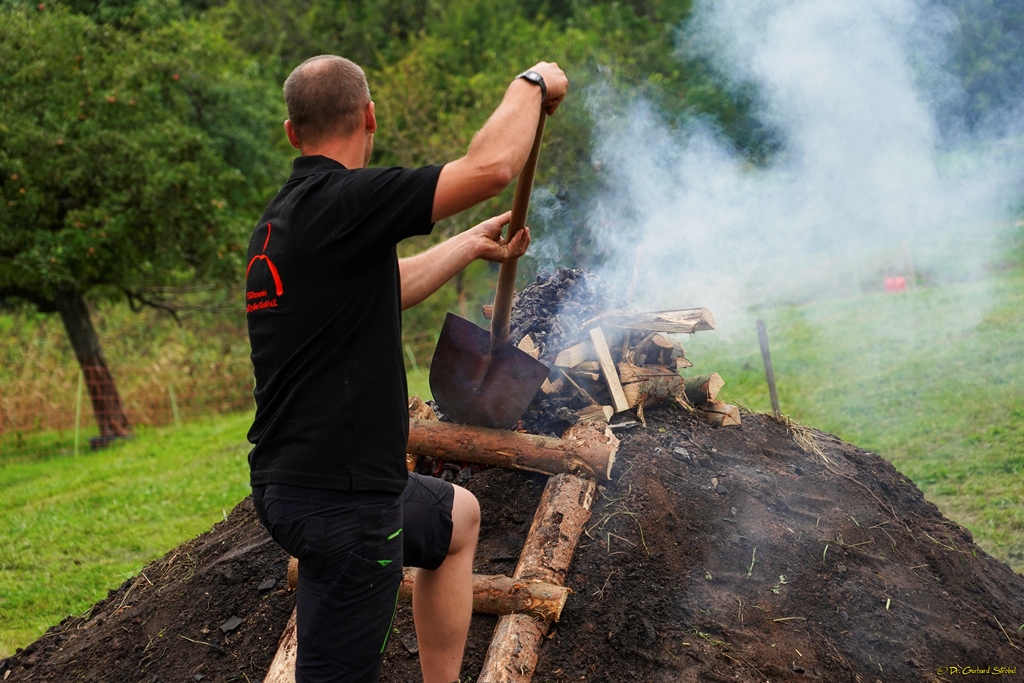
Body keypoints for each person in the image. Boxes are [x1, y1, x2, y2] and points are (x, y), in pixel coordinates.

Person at [244, 55, 568, 683]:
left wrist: (470, 244)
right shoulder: (345, 200)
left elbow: (385, 284)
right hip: (345, 504)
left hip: (299, 483)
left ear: (291, 132)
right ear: (369, 115)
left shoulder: (287, 218)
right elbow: (492, 168)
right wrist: (532, 85)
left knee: (456, 519)